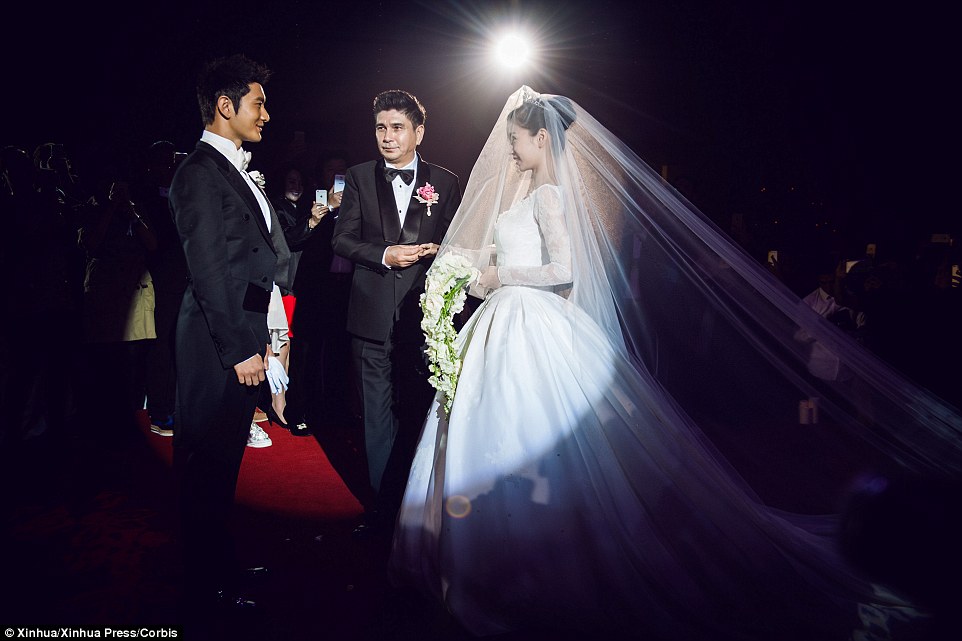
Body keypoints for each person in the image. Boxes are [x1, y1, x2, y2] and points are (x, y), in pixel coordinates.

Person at [388, 87, 962, 640]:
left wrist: (495, 276)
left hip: (526, 319)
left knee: (525, 435)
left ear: (541, 139)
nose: (509, 151)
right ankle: (497, 561)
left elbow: (562, 269)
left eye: (515, 141)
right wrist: (469, 266)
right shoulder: (528, 192)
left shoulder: (549, 195)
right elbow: (521, 253)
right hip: (507, 320)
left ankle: (520, 568)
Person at [168, 54, 289, 622]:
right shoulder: (197, 172)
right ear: (226, 105)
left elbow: (258, 260)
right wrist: (240, 348)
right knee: (204, 467)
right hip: (217, 344)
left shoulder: (235, 169)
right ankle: (202, 590)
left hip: (241, 336)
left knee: (223, 468)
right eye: (258, 102)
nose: (266, 114)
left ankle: (223, 568)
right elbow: (209, 270)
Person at [332, 90, 462, 538]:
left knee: (418, 411)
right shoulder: (359, 177)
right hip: (368, 315)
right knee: (376, 415)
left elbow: (457, 243)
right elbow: (341, 240)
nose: (387, 137)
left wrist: (439, 251)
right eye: (380, 128)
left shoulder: (445, 182)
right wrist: (386, 253)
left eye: (397, 128)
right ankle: (384, 509)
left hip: (421, 318)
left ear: (418, 132)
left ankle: (417, 502)